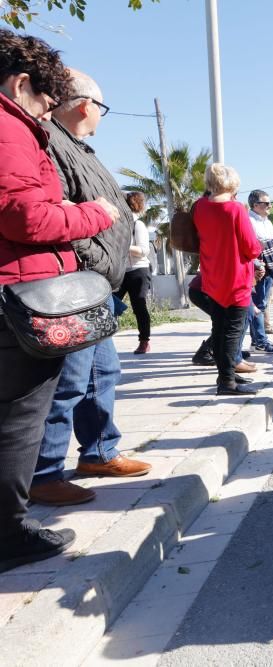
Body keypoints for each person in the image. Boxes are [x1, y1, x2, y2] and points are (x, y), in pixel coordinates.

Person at [0, 29, 119, 572]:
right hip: (21, 297)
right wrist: (93, 214)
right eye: (47, 101)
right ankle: (10, 533)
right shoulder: (10, 128)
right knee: (20, 419)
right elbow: (26, 217)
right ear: (21, 83)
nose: (48, 114)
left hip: (21, 288)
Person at [30, 68, 151, 508]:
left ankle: (99, 451)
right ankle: (44, 473)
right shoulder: (48, 140)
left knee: (102, 374)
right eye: (101, 108)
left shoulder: (75, 145)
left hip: (95, 285)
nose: (101, 117)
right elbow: (57, 210)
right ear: (86, 106)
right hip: (73, 285)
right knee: (68, 382)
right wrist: (96, 258)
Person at [192, 164, 262, 395]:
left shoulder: (200, 206)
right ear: (233, 183)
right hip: (236, 279)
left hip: (212, 278)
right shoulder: (235, 209)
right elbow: (251, 248)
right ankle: (227, 382)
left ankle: (226, 375)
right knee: (232, 332)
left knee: (220, 329)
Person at [117, 192, 153, 354]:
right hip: (121, 271)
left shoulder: (138, 225)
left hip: (139, 270)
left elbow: (144, 250)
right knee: (111, 305)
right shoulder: (118, 224)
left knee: (139, 306)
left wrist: (123, 247)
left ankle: (144, 341)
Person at [247, 189, 273, 335]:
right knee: (257, 302)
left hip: (270, 267)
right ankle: (258, 338)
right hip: (257, 268)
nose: (270, 206)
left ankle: (260, 337)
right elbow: (249, 246)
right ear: (255, 205)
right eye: (266, 203)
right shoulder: (249, 221)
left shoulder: (268, 223)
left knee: (264, 302)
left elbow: (270, 243)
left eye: (270, 203)